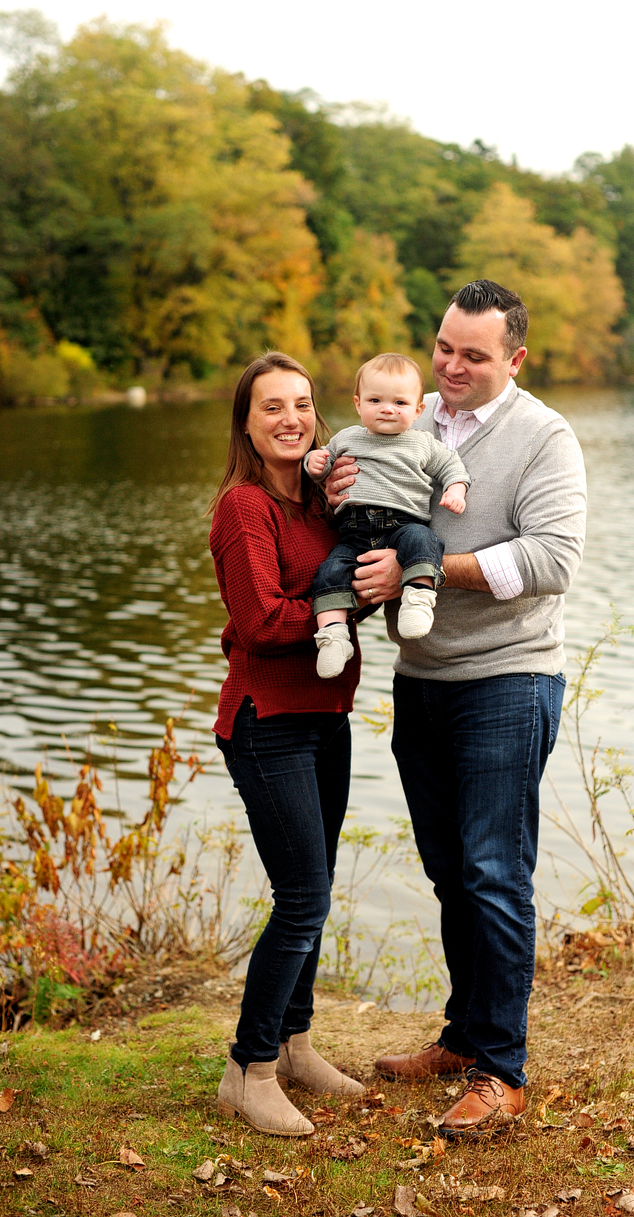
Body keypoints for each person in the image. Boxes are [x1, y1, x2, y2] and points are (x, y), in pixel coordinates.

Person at [326, 280, 586, 1136]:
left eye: (473, 354)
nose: (451, 366)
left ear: (514, 357)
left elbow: (551, 559)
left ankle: (500, 1070)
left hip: (511, 676)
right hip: (423, 677)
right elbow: (361, 512)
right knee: (448, 869)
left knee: (492, 870)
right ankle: (461, 1034)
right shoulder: (406, 415)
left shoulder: (545, 436)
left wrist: (426, 569)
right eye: (444, 347)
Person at [208, 351, 366, 1137]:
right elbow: (266, 622)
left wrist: (364, 590)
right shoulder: (244, 508)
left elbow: (356, 586)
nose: (291, 418)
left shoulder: (320, 505)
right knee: (300, 896)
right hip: (266, 720)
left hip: (325, 715)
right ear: (247, 420)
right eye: (272, 406)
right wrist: (336, 608)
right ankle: (250, 1068)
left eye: (302, 404)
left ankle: (296, 1043)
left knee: (318, 887)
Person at [304, 353, 471, 678]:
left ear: (417, 410)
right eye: (375, 399)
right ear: (358, 403)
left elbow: (453, 466)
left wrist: (455, 489)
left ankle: (418, 599)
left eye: (400, 402)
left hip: (403, 525)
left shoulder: (422, 443)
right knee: (330, 571)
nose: (387, 408)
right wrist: (313, 464)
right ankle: (334, 637)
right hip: (354, 532)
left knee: (424, 542)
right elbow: (322, 463)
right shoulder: (347, 438)